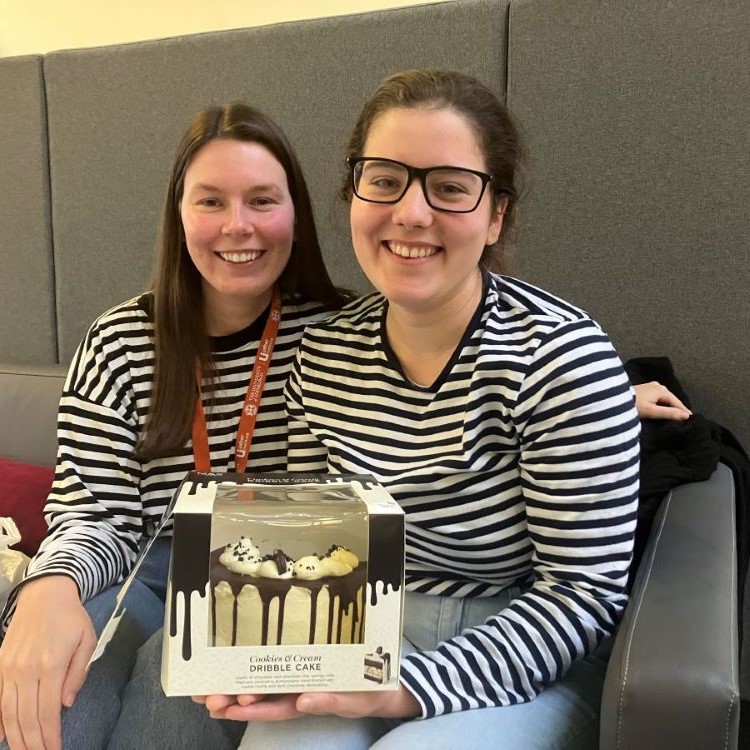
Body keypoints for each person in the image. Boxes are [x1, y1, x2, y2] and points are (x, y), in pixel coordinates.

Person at [195, 68, 646, 750]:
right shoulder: (320, 356)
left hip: (531, 653)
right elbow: (309, 533)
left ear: (497, 216)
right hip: (367, 628)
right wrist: (255, 652)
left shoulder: (560, 357)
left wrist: (408, 686)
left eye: (450, 188)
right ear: (352, 193)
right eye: (384, 179)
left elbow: (582, 595)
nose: (410, 213)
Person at [0, 102, 348, 750]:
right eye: (210, 201)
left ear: (296, 215)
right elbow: (91, 514)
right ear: (178, 214)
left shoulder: (341, 336)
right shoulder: (119, 340)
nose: (236, 226)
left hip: (267, 573)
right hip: (138, 568)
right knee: (54, 699)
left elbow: (344, 512)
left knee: (175, 691)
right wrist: (50, 586)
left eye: (262, 200)